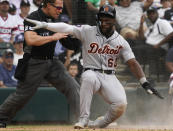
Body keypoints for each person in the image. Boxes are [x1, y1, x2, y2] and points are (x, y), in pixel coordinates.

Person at [25, 5, 163, 129]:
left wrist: (144, 83)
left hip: (110, 76)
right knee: (89, 77)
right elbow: (67, 27)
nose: (104, 22)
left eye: (107, 19)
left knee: (121, 105)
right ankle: (83, 118)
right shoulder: (87, 31)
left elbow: (132, 62)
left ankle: (98, 124)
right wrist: (44, 24)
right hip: (92, 72)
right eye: (102, 18)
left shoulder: (121, 41)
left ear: (114, 20)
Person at [0, 0, 80, 128]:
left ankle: (83, 118)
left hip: (52, 61)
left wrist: (75, 39)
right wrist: (53, 37)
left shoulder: (55, 19)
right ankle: (1, 117)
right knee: (22, 95)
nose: (60, 11)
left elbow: (67, 41)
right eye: (58, 8)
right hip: (33, 61)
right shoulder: (33, 18)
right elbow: (30, 39)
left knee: (73, 86)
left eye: (61, 9)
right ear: (48, 5)